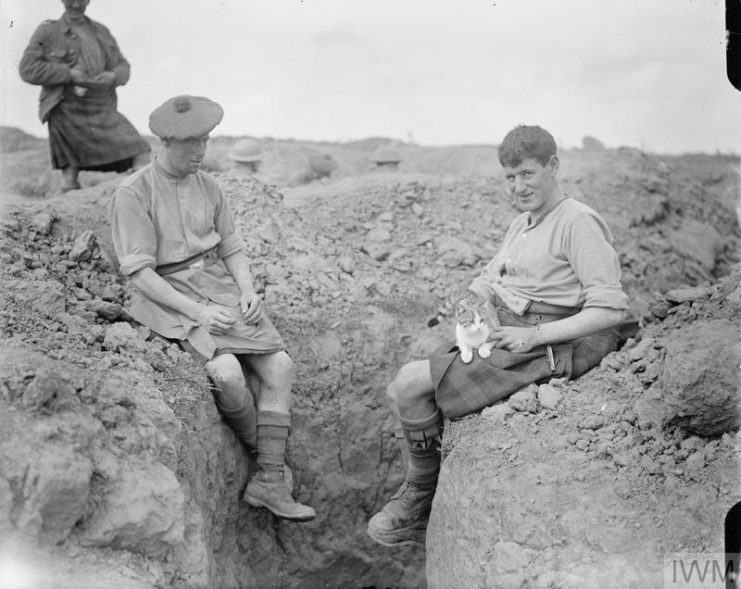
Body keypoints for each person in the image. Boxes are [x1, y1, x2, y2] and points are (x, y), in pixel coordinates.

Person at [367, 125, 629, 547]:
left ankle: (419, 498)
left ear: (553, 166)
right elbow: (491, 278)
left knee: (408, 385)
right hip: (514, 331)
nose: (518, 187)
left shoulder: (577, 222)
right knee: (415, 377)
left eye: (527, 174)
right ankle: (424, 489)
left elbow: (612, 308)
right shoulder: (523, 224)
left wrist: (536, 336)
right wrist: (471, 298)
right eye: (510, 177)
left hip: (555, 342)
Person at [107, 95, 315, 522]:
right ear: (164, 142)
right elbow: (141, 275)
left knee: (280, 368)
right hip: (165, 296)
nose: (200, 153)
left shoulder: (211, 186)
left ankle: (269, 482)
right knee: (226, 374)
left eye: (205, 141)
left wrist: (247, 289)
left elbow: (232, 246)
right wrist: (197, 313)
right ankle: (266, 457)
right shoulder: (133, 193)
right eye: (190, 144)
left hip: (215, 286)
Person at [19, 0, 151, 192]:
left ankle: (136, 196)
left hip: (102, 106)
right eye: (69, 0)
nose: (74, 5)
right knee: (70, 177)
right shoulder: (48, 31)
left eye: (80, 0)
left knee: (141, 151)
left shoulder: (101, 32)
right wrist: (68, 73)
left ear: (88, 1)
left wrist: (113, 75)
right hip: (65, 105)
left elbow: (124, 67)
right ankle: (69, 192)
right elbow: (27, 69)